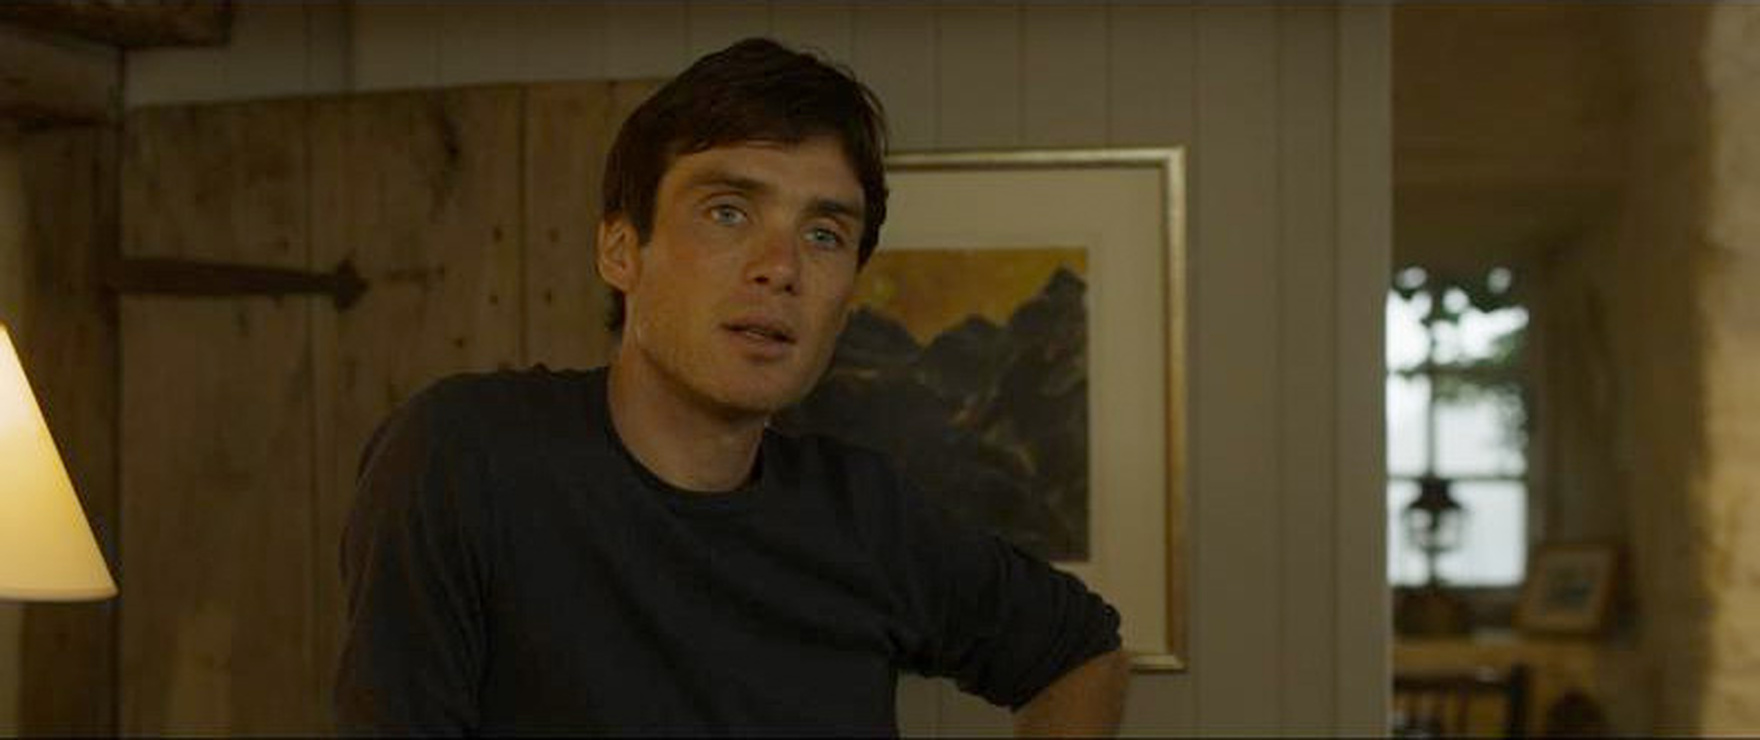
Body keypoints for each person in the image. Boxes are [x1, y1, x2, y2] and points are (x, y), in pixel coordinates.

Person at [334, 37, 1130, 736]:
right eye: (727, 212)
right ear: (621, 250)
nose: (780, 267)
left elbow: (1082, 654)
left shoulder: (867, 518)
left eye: (824, 234)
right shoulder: (466, 459)